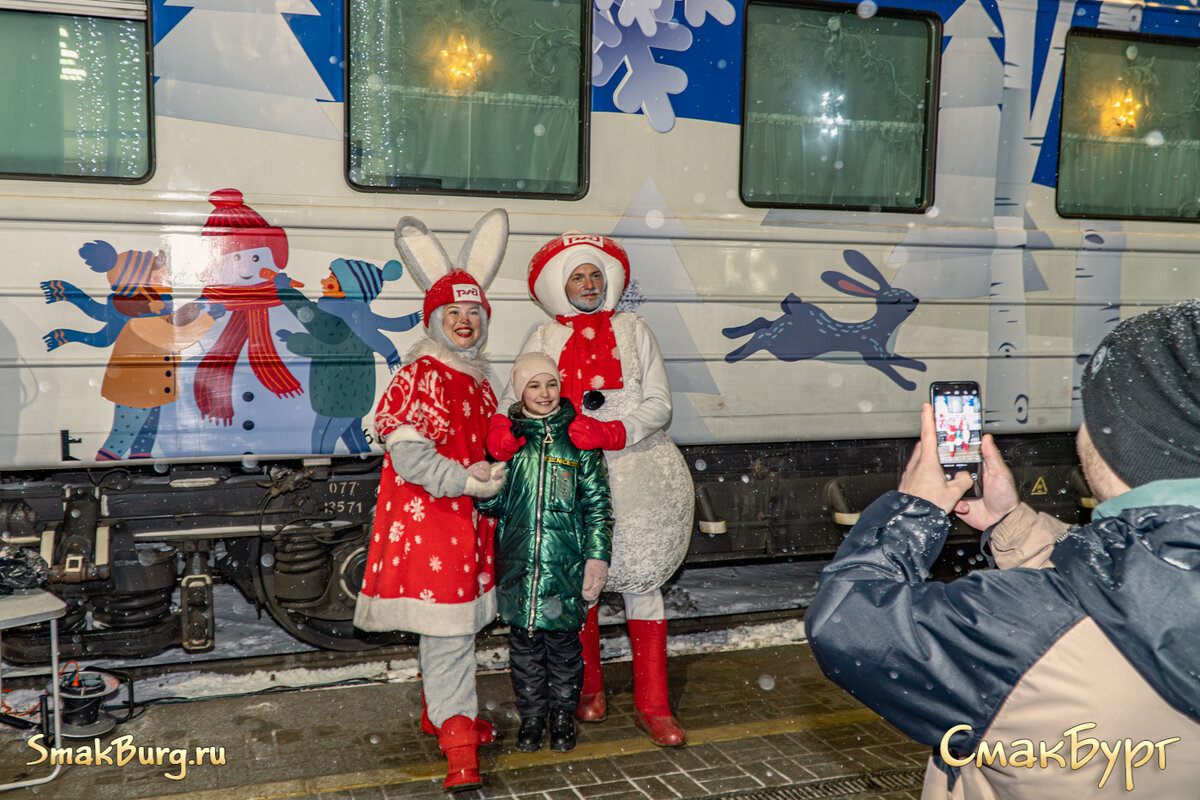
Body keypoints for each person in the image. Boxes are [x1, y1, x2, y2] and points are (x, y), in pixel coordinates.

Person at [805, 301, 1200, 798]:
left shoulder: (1018, 628)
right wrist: (1011, 526)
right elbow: (1140, 585)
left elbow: (847, 622)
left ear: (1123, 441)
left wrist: (914, 510)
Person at [487, 233, 693, 746]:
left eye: (595, 276)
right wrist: (501, 429)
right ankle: (586, 690)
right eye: (577, 276)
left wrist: (615, 431)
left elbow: (659, 402)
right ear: (561, 285)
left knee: (644, 587)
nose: (587, 284)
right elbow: (515, 394)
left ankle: (655, 705)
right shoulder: (543, 335)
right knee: (579, 586)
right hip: (568, 476)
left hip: (637, 473)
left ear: (609, 282)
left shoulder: (634, 329)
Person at [354, 210, 508, 792]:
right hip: (435, 522)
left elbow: (487, 438)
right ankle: (460, 745)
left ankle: (440, 713)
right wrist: (468, 482)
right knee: (450, 635)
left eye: (474, 312)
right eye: (455, 312)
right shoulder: (423, 374)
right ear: (435, 318)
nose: (465, 321)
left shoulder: (475, 376)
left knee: (450, 631)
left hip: (459, 521)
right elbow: (412, 456)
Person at [476, 352, 613, 754]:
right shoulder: (513, 443)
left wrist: (597, 557)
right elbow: (493, 507)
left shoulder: (579, 441)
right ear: (520, 392)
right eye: (534, 385)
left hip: (565, 567)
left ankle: (561, 717)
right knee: (524, 651)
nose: (545, 393)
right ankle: (533, 718)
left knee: (565, 651)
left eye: (551, 384)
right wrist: (487, 481)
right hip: (520, 567)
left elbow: (598, 505)